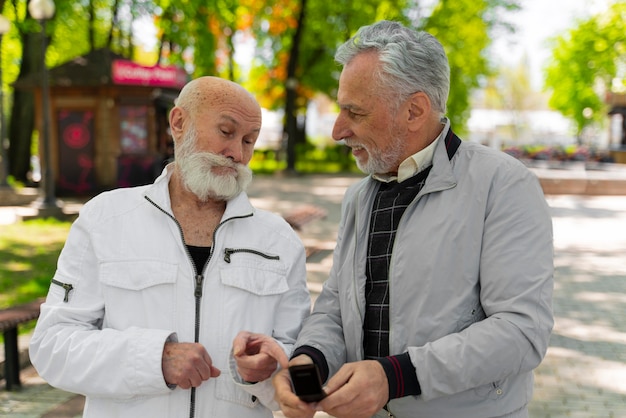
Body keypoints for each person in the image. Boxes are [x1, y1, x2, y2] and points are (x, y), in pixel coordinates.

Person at [273, 20, 554, 418]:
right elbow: (337, 306)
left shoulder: (504, 186)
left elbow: (522, 332)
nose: (338, 130)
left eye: (354, 112)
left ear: (415, 110)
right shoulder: (360, 196)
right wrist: (310, 360)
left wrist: (395, 377)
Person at [29, 76, 311, 418]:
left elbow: (298, 359)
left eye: (249, 141)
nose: (237, 153)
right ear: (179, 123)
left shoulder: (279, 241)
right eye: (226, 132)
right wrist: (154, 359)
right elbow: (52, 346)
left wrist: (267, 371)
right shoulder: (105, 219)